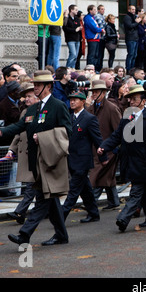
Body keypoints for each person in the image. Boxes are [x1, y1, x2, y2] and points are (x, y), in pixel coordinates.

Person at [0, 70, 72, 247]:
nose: (35, 88)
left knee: (42, 199)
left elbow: (67, 131)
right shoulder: (33, 109)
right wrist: (1, 131)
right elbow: (20, 126)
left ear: (48, 87)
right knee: (51, 199)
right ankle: (61, 235)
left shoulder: (58, 106)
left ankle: (24, 234)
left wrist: (44, 137)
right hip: (36, 161)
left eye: (38, 85)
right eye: (34, 85)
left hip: (50, 160)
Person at [97, 85, 146, 232]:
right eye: (130, 99)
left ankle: (123, 218)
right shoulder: (126, 118)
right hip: (130, 162)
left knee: (136, 192)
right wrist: (104, 146)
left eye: (135, 99)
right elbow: (116, 136)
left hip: (145, 163)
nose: (131, 102)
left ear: (143, 101)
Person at [62, 91, 106, 223]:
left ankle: (61, 216)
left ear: (82, 102)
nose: (72, 102)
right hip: (71, 158)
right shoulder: (69, 117)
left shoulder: (89, 118)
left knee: (73, 191)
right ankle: (93, 213)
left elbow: (98, 139)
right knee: (85, 189)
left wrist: (103, 158)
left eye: (76, 100)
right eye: (71, 100)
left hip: (83, 160)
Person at [87, 80, 122, 210]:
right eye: (93, 92)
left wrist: (114, 148)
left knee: (96, 178)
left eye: (96, 92)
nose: (94, 94)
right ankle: (114, 201)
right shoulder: (90, 108)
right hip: (94, 150)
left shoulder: (112, 109)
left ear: (103, 92)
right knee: (107, 177)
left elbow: (119, 130)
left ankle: (91, 204)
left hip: (108, 150)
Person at [5, 83, 37, 224]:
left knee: (31, 186)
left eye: (29, 96)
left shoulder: (45, 111)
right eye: (25, 96)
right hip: (27, 154)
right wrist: (12, 149)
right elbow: (19, 132)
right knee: (38, 189)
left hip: (39, 155)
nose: (26, 99)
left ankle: (20, 212)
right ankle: (54, 212)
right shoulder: (25, 112)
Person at [63, 4, 83, 69]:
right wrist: (75, 29)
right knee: (73, 54)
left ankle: (73, 68)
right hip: (70, 39)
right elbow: (65, 28)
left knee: (76, 56)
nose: (77, 11)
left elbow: (78, 27)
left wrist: (79, 31)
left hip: (77, 39)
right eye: (76, 10)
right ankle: (68, 68)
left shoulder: (77, 18)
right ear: (71, 10)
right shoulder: (67, 18)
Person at [124, 5, 142, 72]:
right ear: (129, 10)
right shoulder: (127, 17)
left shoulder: (134, 17)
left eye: (134, 9)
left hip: (135, 38)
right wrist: (136, 22)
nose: (133, 11)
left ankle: (132, 68)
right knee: (131, 54)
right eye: (132, 9)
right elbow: (130, 26)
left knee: (135, 55)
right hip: (130, 38)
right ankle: (128, 68)